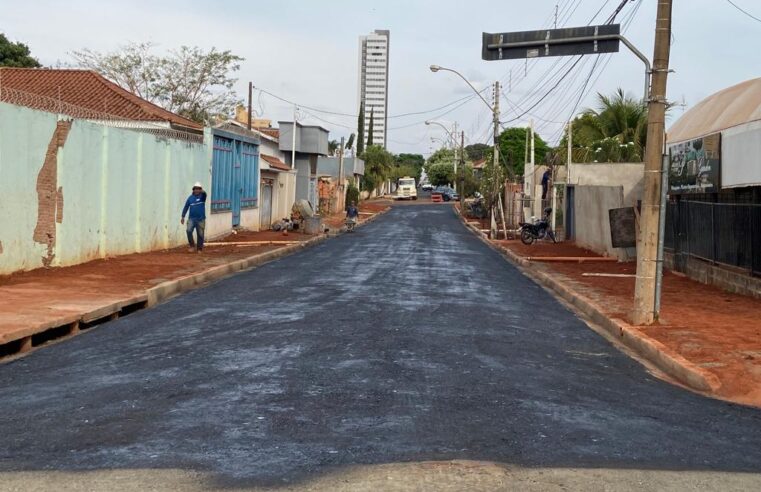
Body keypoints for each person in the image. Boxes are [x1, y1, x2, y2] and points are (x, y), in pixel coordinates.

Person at [181, 182, 207, 253]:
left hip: (201, 219)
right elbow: (186, 207)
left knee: (200, 234)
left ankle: (199, 249)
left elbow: (205, 194)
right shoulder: (190, 198)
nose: (197, 190)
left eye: (198, 189)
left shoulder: (202, 197)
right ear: (193, 190)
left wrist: (203, 191)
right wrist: (183, 216)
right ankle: (192, 246)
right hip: (191, 219)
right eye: (195, 189)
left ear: (200, 190)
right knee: (188, 231)